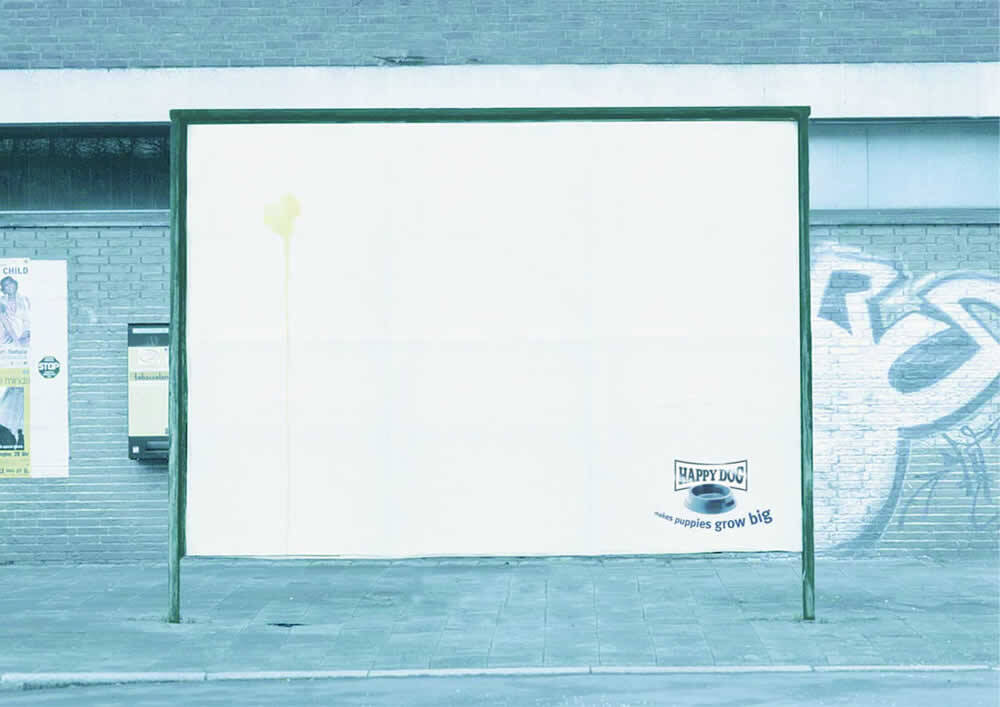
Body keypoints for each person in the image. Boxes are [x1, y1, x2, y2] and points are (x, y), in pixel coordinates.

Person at [0, 275, 30, 347]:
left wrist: (26, 331)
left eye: (10, 283)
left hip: (25, 336)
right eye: (6, 285)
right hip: (8, 338)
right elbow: (6, 324)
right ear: (4, 290)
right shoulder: (1, 302)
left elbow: (28, 318)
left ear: (15, 284)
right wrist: (16, 341)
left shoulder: (25, 300)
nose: (9, 286)